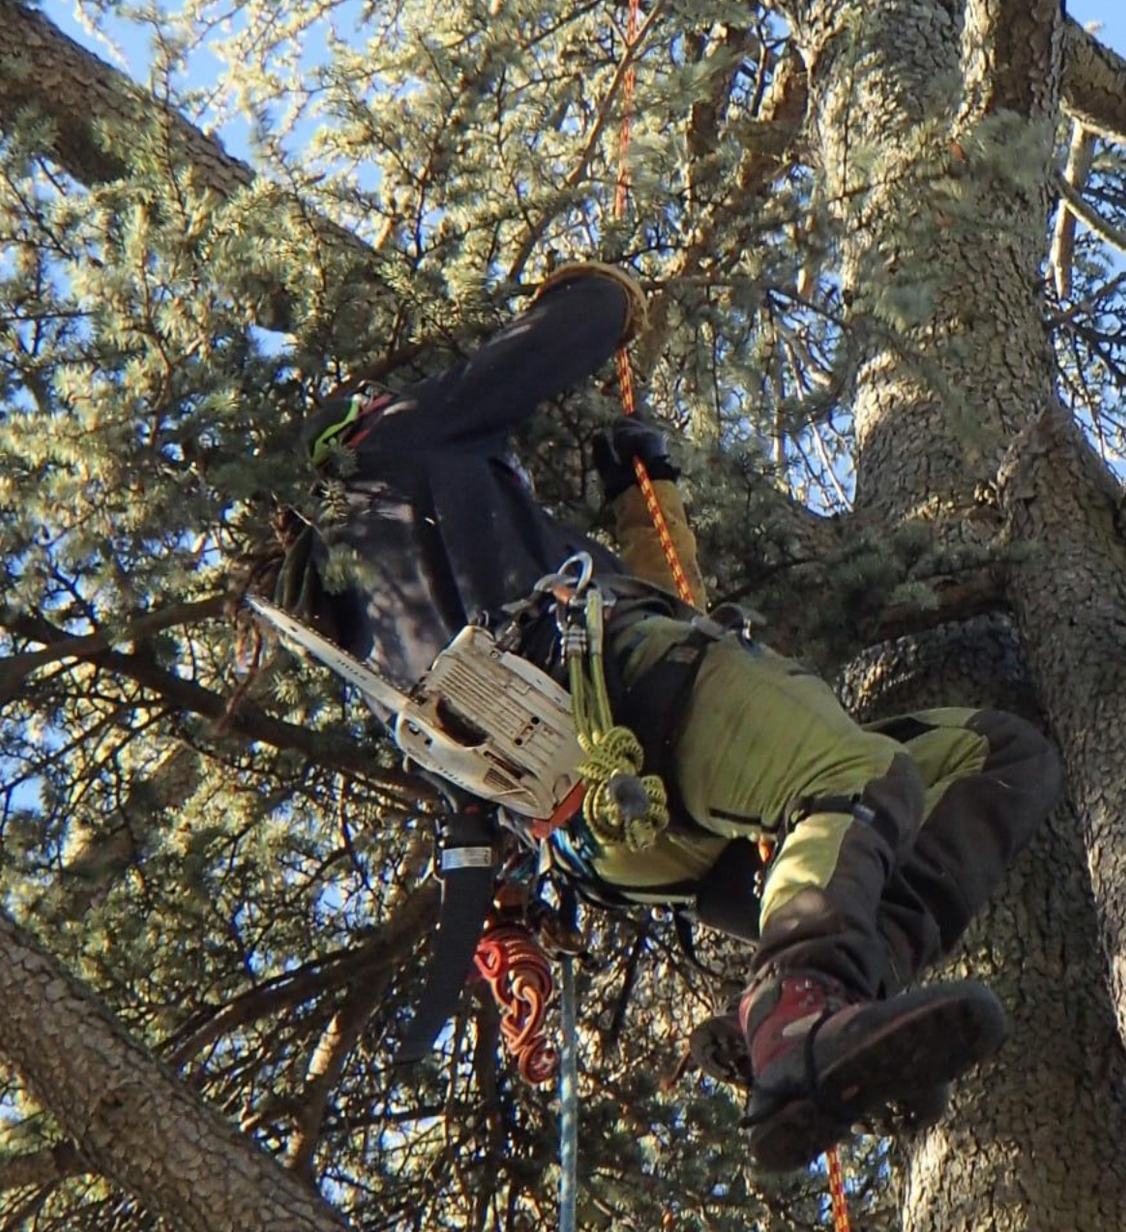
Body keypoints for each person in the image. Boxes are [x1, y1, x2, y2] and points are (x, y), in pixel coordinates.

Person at [285, 262, 1059, 1172]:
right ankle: (796, 1007)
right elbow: (584, 321)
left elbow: (665, 603)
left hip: (615, 839)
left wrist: (643, 494)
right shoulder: (398, 447)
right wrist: (606, 289)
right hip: (626, 699)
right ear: (357, 424)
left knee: (998, 755)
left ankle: (835, 1003)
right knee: (857, 778)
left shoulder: (373, 633)